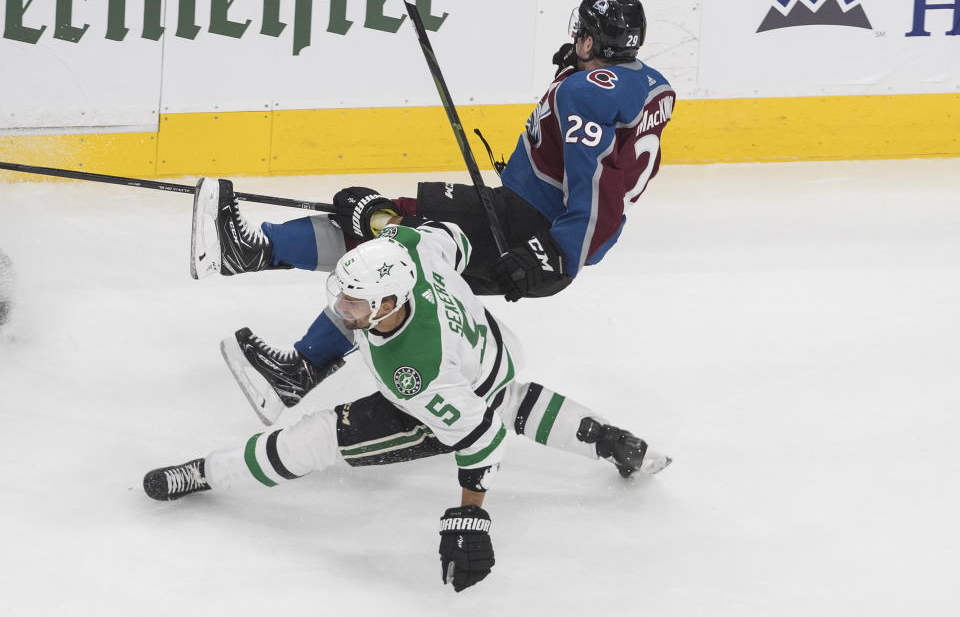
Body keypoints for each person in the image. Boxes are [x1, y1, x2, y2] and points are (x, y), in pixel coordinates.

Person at [189, 0, 676, 425]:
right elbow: (614, 152)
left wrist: (559, 254)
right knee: (396, 239)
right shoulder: (649, 84)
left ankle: (259, 269)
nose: (576, 37)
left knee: (393, 249)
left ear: (594, 42)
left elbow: (597, 193)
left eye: (583, 33)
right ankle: (290, 348)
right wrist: (577, 66)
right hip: (521, 209)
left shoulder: (584, 93)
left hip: (531, 232)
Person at [147, 222, 671, 592]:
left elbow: (482, 438)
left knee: (318, 438)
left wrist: (471, 515)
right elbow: (451, 237)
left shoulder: (413, 371)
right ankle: (609, 440)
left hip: (452, 383)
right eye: (343, 295)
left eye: (353, 303)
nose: (340, 308)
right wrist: (376, 218)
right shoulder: (408, 250)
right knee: (504, 397)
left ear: (390, 303)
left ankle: (208, 473)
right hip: (494, 353)